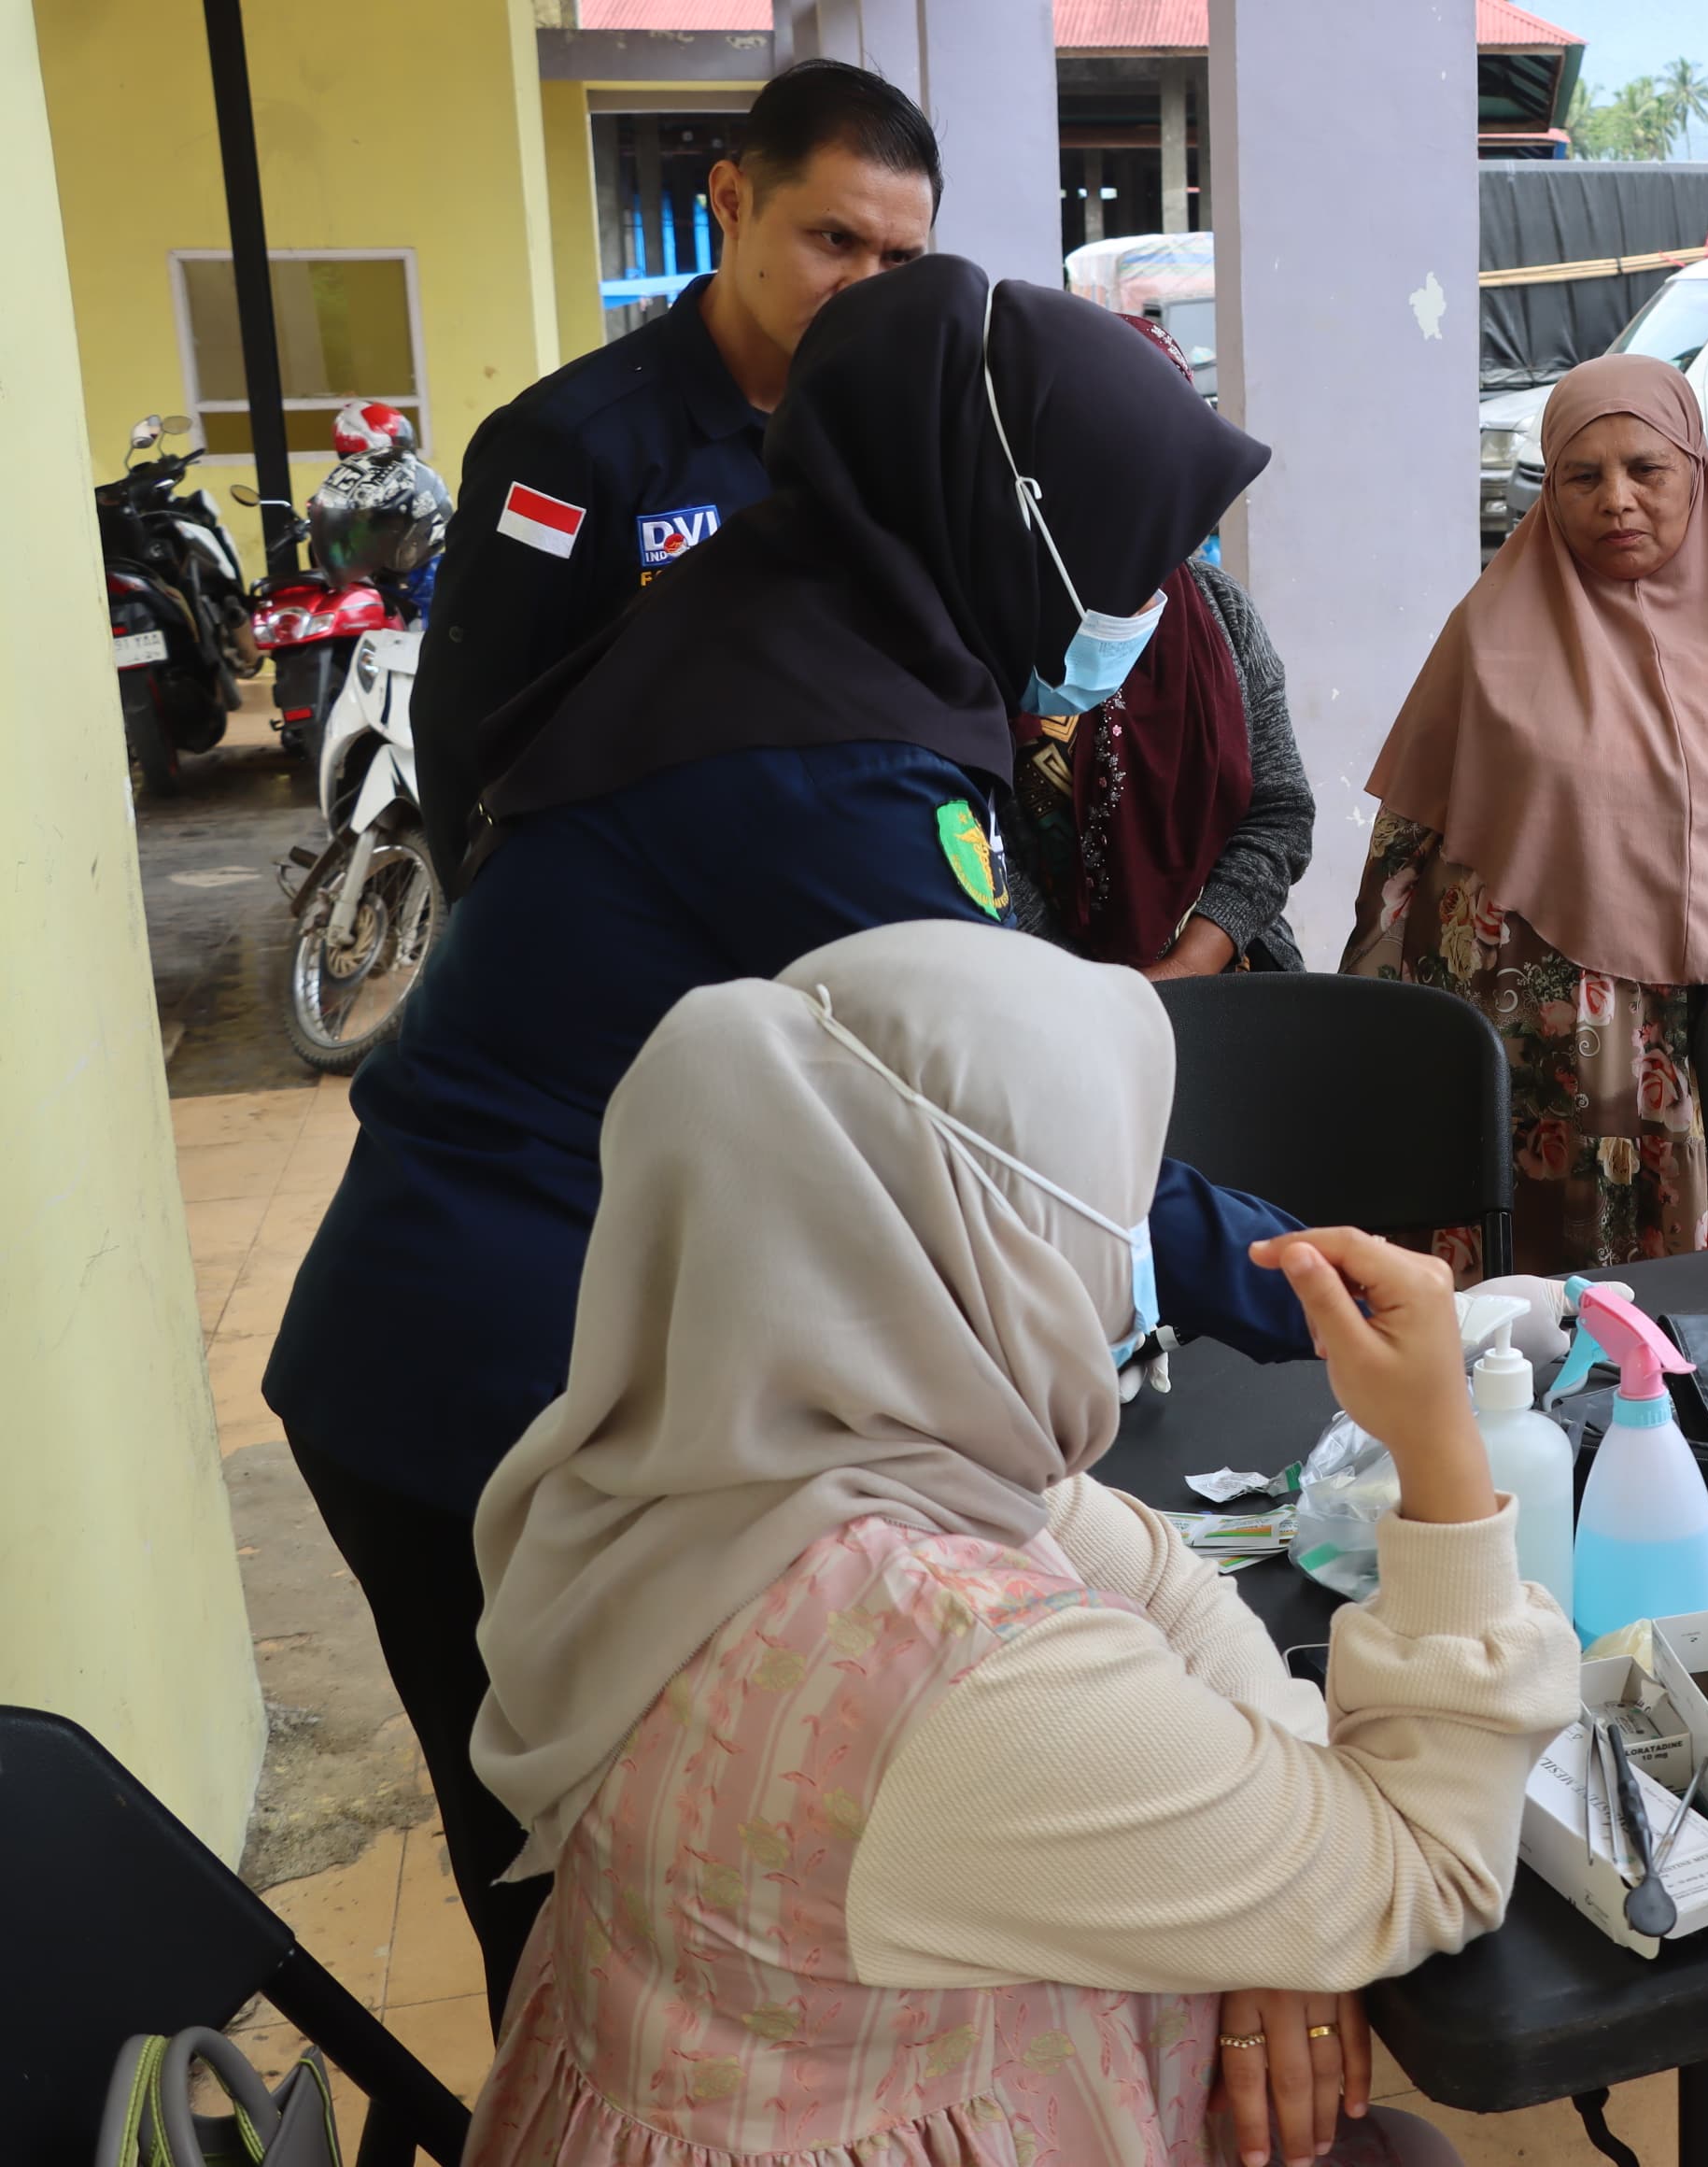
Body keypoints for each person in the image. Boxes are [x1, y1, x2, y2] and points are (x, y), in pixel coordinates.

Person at [265, 255, 1300, 2021]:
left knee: (623, 1908)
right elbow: (1012, 1140)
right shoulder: (828, 759)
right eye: (1128, 554)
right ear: (1012, 518)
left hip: (517, 1333)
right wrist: (1306, 1281)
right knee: (605, 1934)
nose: (1148, 602)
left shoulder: (812, 636)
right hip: (484, 1382)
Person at [462, 920, 1574, 2167]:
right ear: (998, 1248)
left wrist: (1271, 1884)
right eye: (1107, 1216)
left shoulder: (700, 1450)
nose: (1130, 1258)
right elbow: (1425, 1861)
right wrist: (1438, 1448)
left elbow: (1149, 1569)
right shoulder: (958, 1661)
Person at [1348, 355, 1708, 1272]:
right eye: (1582, 476)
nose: (1616, 501)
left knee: (1704, 1287)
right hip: (1534, 1037)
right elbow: (1404, 848)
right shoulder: (1489, 634)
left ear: (1698, 472)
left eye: (1646, 470)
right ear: (1550, 489)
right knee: (1528, 1290)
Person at [416, 59, 939, 890]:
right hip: (628, 915)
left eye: (900, 259)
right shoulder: (565, 449)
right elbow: (469, 731)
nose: (865, 290)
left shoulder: (898, 435)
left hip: (825, 898)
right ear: (731, 200)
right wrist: (510, 934)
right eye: (835, 240)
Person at [1010, 310, 1313, 974]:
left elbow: (1280, 814)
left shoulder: (1220, 610)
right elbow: (982, 850)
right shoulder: (992, 622)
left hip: (1230, 976)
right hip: (1047, 998)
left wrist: (1185, 970)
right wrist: (1101, 998)